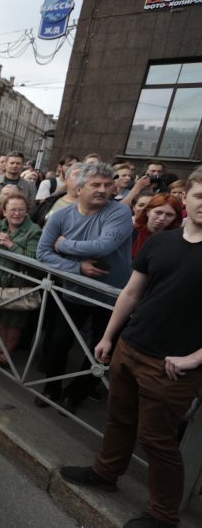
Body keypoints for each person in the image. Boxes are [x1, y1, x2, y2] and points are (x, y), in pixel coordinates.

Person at [59, 169, 202, 528]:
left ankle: (163, 515)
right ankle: (105, 473)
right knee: (119, 418)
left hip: (172, 365)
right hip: (130, 346)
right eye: (201, 196)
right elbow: (131, 293)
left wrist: (194, 359)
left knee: (157, 440)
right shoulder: (160, 242)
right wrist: (108, 337)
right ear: (187, 197)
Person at [36, 162, 133, 414]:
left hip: (111, 298)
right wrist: (77, 268)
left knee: (100, 351)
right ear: (79, 189)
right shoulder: (60, 215)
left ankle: (75, 395)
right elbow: (42, 253)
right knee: (57, 343)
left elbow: (103, 247)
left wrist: (64, 244)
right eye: (96, 185)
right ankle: (51, 388)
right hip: (74, 292)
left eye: (108, 184)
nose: (103, 189)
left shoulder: (119, 212)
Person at [0, 194, 42, 368]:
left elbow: (34, 258)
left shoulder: (34, 230)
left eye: (21, 210)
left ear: (27, 212)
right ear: (4, 211)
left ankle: (7, 354)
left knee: (15, 320)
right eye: (12, 210)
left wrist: (11, 245)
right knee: (1, 316)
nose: (17, 213)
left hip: (18, 283)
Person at [131, 193, 182, 259]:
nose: (162, 218)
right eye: (158, 212)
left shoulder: (178, 239)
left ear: (175, 217)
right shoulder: (129, 232)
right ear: (147, 212)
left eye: (169, 215)